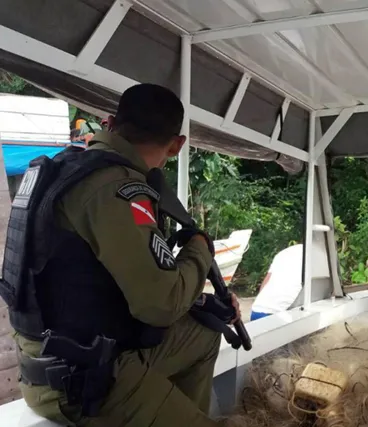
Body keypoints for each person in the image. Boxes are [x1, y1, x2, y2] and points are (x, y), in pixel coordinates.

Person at [2, 84, 239, 427]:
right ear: (176, 146)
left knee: (202, 334)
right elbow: (161, 304)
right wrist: (200, 248)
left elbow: (98, 279)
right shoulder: (115, 189)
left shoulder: (67, 168)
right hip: (85, 379)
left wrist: (197, 301)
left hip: (58, 358)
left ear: (109, 122)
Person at [250, 244, 304, 320]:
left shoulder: (285, 252)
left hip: (258, 309)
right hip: (281, 315)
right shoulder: (317, 254)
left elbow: (266, 281)